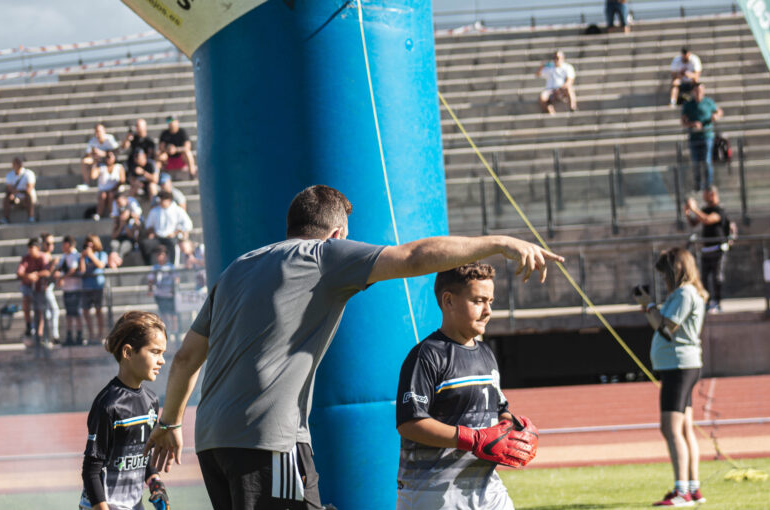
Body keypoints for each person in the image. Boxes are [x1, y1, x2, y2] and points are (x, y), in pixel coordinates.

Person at [145, 185, 562, 510]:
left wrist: (169, 424)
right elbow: (414, 256)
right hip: (268, 439)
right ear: (337, 234)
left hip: (213, 440)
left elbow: (184, 359)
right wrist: (501, 243)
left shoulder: (239, 266)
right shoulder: (323, 256)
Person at [396, 263, 538, 509]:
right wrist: (473, 438)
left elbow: (498, 408)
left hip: (487, 487)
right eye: (478, 301)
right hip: (433, 491)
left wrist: (512, 427)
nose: (487, 311)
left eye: (491, 301)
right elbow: (410, 423)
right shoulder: (426, 355)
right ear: (448, 301)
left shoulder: (486, 353)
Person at [634, 247, 708, 507]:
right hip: (682, 365)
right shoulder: (689, 293)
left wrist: (648, 306)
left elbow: (666, 329)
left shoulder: (684, 293)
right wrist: (651, 308)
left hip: (679, 366)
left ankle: (682, 492)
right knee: (685, 429)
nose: (664, 280)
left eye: (665, 273)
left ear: (675, 270)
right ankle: (693, 488)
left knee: (670, 428)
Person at [79, 311, 170, 510]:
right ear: (128, 353)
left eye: (162, 353)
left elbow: (142, 457)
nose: (161, 360)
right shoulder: (108, 405)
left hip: (133, 505)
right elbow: (91, 471)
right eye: (155, 352)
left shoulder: (151, 402)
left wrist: (155, 483)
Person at [685, 186, 735, 313]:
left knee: (717, 277)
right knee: (704, 278)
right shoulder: (705, 209)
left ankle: (717, 303)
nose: (705, 197)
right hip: (706, 249)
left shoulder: (720, 210)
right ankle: (706, 302)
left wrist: (694, 209)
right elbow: (695, 222)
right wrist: (687, 212)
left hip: (718, 249)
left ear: (713, 195)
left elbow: (707, 220)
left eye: (707, 194)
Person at [681, 82, 722, 191]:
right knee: (696, 163)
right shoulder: (689, 104)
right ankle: (697, 185)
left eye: (700, 90)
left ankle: (708, 185)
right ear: (693, 92)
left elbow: (719, 112)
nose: (698, 92)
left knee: (707, 161)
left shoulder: (708, 102)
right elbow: (683, 121)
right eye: (696, 90)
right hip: (694, 137)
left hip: (707, 136)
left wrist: (716, 116)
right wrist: (692, 124)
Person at [16, 237, 51, 344]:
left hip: (40, 287)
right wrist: (28, 276)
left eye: (33, 249)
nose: (31, 252)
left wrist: (36, 274)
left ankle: (39, 333)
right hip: (28, 286)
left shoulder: (42, 257)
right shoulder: (26, 258)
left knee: (39, 310)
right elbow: (19, 272)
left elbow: (47, 272)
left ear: (38, 248)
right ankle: (28, 326)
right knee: (26, 301)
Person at [142, 191, 193, 265]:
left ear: (169, 200)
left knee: (172, 244)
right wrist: (152, 232)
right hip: (158, 237)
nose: (161, 202)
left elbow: (188, 224)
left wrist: (176, 232)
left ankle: (173, 266)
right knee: (146, 244)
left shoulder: (178, 210)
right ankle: (151, 267)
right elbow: (148, 226)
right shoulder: (154, 211)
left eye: (163, 199)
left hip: (172, 237)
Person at [80, 234, 109, 344]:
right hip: (86, 287)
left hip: (97, 287)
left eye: (91, 242)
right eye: (87, 242)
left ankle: (100, 334)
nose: (89, 245)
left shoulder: (101, 254)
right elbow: (82, 271)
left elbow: (101, 265)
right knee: (86, 311)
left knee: (98, 311)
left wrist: (91, 255)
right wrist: (82, 257)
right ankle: (91, 334)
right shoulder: (83, 256)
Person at [55, 235, 84, 346]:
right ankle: (69, 336)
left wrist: (62, 277)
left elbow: (72, 269)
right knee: (69, 315)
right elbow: (60, 268)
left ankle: (79, 336)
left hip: (75, 289)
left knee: (76, 314)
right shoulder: (64, 256)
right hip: (67, 289)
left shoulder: (75, 255)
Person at [148, 247, 180, 341]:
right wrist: (150, 290)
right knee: (164, 314)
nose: (161, 257)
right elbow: (150, 280)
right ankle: (167, 332)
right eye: (159, 255)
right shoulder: (155, 268)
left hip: (170, 294)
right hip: (160, 295)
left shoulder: (170, 267)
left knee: (173, 314)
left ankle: (175, 332)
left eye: (163, 255)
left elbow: (176, 279)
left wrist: (175, 288)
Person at [89, 151, 126, 221]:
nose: (108, 159)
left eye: (110, 157)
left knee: (111, 194)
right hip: (104, 191)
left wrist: (113, 188)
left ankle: (112, 212)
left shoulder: (119, 167)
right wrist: (95, 164)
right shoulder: (101, 167)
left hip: (116, 190)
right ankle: (99, 214)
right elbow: (93, 176)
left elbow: (122, 180)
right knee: (103, 195)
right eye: (107, 157)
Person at [157, 115, 197, 181]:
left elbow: (187, 147)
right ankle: (157, 176)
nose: (171, 124)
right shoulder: (165, 134)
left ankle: (192, 174)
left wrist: (176, 149)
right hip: (168, 159)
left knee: (188, 153)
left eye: (172, 121)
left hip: (180, 159)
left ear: (177, 122)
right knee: (160, 156)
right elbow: (161, 148)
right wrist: (168, 150)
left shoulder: (182, 132)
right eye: (169, 122)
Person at [1, 157, 37, 224]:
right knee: (7, 197)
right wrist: (14, 193)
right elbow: (8, 188)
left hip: (26, 198)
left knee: (28, 195)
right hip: (16, 198)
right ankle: (6, 218)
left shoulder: (28, 174)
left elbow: (29, 188)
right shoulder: (10, 175)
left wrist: (17, 191)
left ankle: (31, 217)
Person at [111, 193, 144, 263]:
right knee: (114, 244)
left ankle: (117, 261)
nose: (119, 205)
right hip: (119, 238)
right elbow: (114, 236)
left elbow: (132, 236)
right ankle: (114, 261)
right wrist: (120, 225)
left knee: (125, 246)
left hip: (129, 240)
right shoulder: (118, 220)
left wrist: (125, 225)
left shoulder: (133, 221)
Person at [40, 232, 61, 344]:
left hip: (48, 287)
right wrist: (53, 265)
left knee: (48, 312)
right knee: (54, 310)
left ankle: (48, 336)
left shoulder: (47, 255)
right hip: (44, 288)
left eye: (52, 243)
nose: (50, 246)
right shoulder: (43, 256)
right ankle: (53, 336)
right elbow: (46, 273)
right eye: (48, 243)